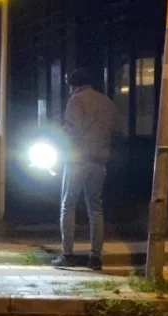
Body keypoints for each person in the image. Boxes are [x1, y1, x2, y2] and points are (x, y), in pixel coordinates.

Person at [52, 68, 119, 271]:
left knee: (68, 205)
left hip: (77, 159)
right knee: (95, 209)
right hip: (99, 160)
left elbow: (73, 130)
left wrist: (59, 132)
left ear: (74, 85)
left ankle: (67, 253)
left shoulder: (76, 101)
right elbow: (116, 129)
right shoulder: (107, 102)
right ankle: (95, 257)